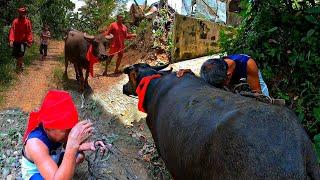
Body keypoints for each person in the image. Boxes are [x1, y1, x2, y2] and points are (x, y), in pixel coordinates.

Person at [21, 90, 108, 180]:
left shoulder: (58, 133)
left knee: (79, 156)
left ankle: (60, 172)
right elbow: (69, 147)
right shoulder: (35, 145)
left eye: (71, 128)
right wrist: (72, 146)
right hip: (36, 172)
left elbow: (67, 145)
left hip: (53, 159)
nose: (70, 133)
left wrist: (89, 145)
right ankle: (60, 173)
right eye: (66, 130)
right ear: (48, 128)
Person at [177, 54, 270, 96]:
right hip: (232, 75)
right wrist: (191, 74)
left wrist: (259, 97)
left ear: (228, 76)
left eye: (224, 83)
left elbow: (257, 93)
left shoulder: (248, 64)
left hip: (249, 71)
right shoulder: (216, 66)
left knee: (263, 96)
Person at [9, 7, 33, 72]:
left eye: (24, 13)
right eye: (22, 13)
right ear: (19, 13)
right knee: (15, 55)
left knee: (21, 54)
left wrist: (29, 41)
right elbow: (12, 30)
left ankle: (19, 68)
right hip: (16, 41)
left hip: (23, 42)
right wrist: (11, 40)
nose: (23, 14)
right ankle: (21, 63)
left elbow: (29, 32)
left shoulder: (27, 22)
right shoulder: (15, 21)